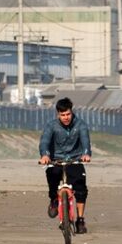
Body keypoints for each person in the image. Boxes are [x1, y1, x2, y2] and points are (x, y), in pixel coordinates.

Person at [38, 97, 92, 234]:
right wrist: (45, 155)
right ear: (58, 114)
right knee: (52, 177)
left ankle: (80, 220)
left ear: (71, 112)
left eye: (68, 114)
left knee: (81, 188)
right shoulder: (51, 126)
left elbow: (86, 142)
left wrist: (86, 154)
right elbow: (44, 141)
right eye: (62, 115)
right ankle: (54, 200)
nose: (66, 117)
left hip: (74, 160)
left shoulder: (80, 125)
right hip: (55, 160)